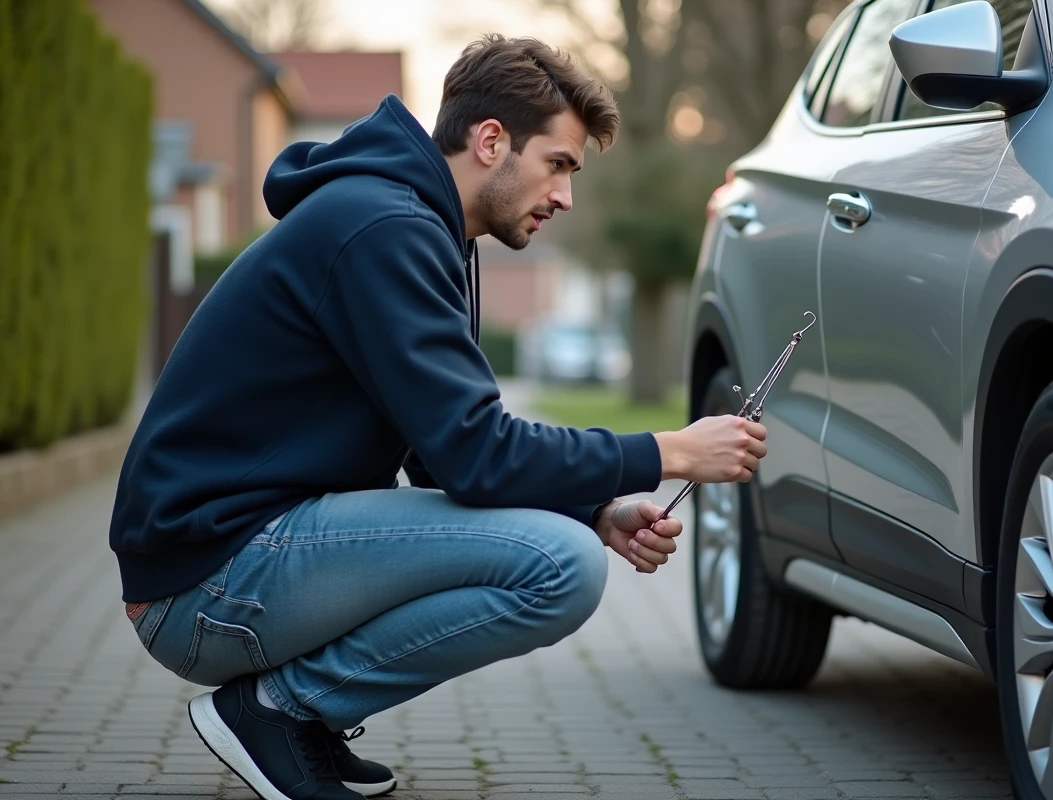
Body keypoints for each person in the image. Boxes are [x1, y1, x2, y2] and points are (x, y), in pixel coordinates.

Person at [110, 33, 768, 800]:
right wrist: (668, 451)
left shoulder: (423, 227)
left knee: (571, 544)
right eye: (558, 164)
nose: (565, 196)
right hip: (206, 582)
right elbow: (474, 455)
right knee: (560, 568)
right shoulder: (384, 228)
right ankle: (275, 713)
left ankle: (298, 719)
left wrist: (596, 507)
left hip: (227, 561)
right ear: (492, 141)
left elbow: (439, 450)